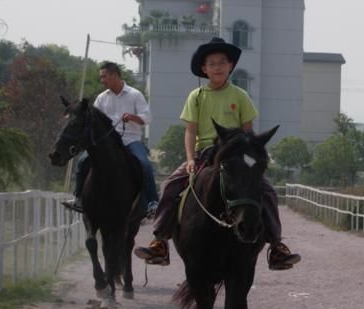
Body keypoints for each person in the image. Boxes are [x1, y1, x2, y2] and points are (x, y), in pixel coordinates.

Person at [134, 37, 301, 271]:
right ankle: (160, 240)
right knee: (171, 185)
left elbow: (248, 132)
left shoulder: (240, 95)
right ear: (204, 69)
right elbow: (190, 131)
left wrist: (249, 159)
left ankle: (276, 246)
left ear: (230, 66)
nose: (218, 67)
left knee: (268, 191)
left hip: (236, 154)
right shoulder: (196, 96)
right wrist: (191, 159)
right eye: (212, 63)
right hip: (205, 153)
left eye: (222, 62)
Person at [63, 61, 159, 216]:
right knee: (81, 162)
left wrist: (133, 117)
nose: (102, 80)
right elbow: (93, 121)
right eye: (101, 77)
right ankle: (78, 198)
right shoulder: (101, 98)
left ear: (115, 75)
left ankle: (152, 202)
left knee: (144, 164)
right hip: (106, 142)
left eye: (104, 76)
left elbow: (147, 118)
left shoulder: (135, 94)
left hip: (131, 140)